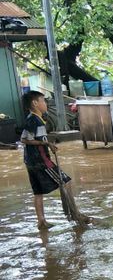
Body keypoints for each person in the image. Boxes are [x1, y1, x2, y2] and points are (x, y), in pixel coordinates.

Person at [20, 91, 75, 230]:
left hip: (31, 161)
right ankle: (75, 213)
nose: (45, 104)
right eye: (43, 101)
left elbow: (31, 139)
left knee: (38, 192)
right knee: (66, 181)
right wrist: (46, 144)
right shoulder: (34, 120)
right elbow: (24, 139)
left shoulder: (35, 119)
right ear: (35, 103)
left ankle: (41, 221)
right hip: (42, 161)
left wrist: (46, 143)